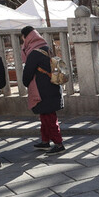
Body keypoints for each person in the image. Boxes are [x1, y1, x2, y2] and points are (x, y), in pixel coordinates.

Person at [20, 25, 65, 154]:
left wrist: (26, 83)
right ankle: (45, 141)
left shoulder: (34, 53)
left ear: (27, 37)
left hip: (42, 90)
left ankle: (58, 143)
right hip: (52, 87)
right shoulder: (46, 48)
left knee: (49, 118)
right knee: (45, 115)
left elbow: (27, 74)